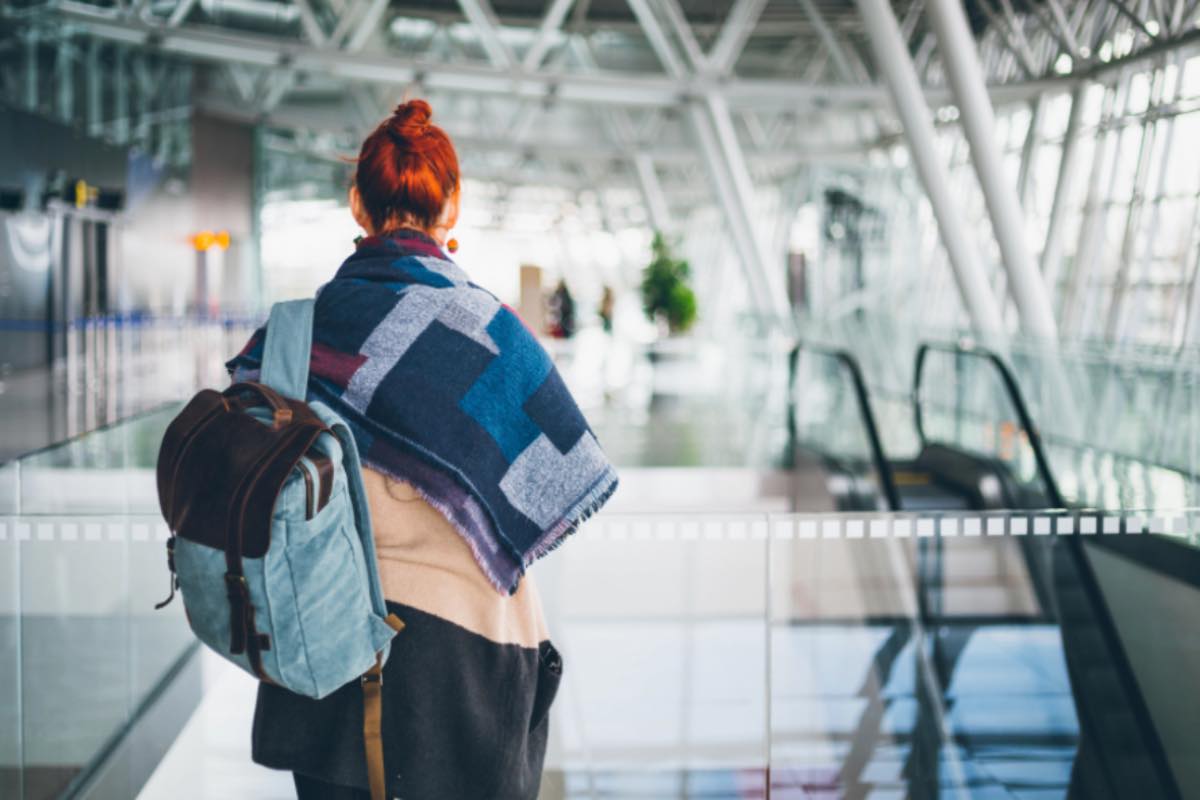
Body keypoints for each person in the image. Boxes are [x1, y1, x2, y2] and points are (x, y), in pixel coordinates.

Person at [225, 99, 618, 800]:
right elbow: (556, 482)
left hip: (320, 656)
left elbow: (255, 480)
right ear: (452, 208)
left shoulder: (295, 336)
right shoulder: (496, 338)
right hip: (460, 675)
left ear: (357, 205)